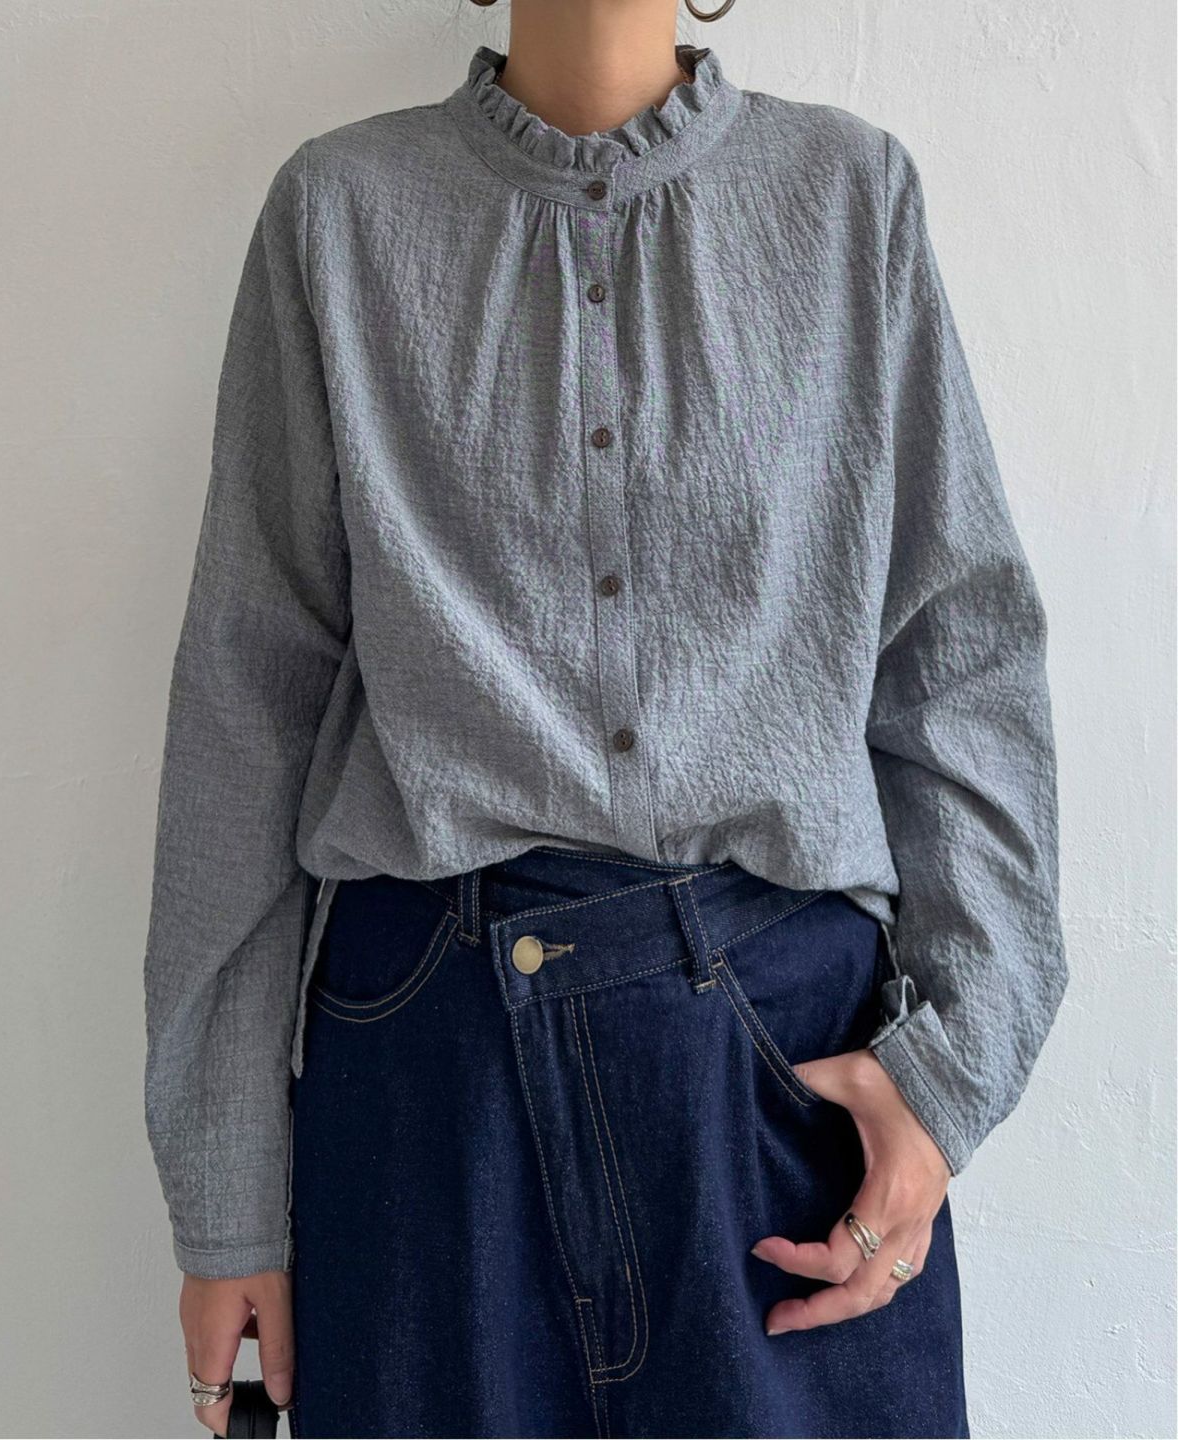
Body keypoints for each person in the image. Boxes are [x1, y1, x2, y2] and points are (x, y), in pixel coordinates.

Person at [142, 1, 1069, 1436]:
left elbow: (958, 657)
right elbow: (246, 701)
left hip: (778, 1085)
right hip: (434, 1074)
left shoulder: (849, 199)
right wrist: (224, 1196)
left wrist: (950, 1075)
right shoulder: (338, 214)